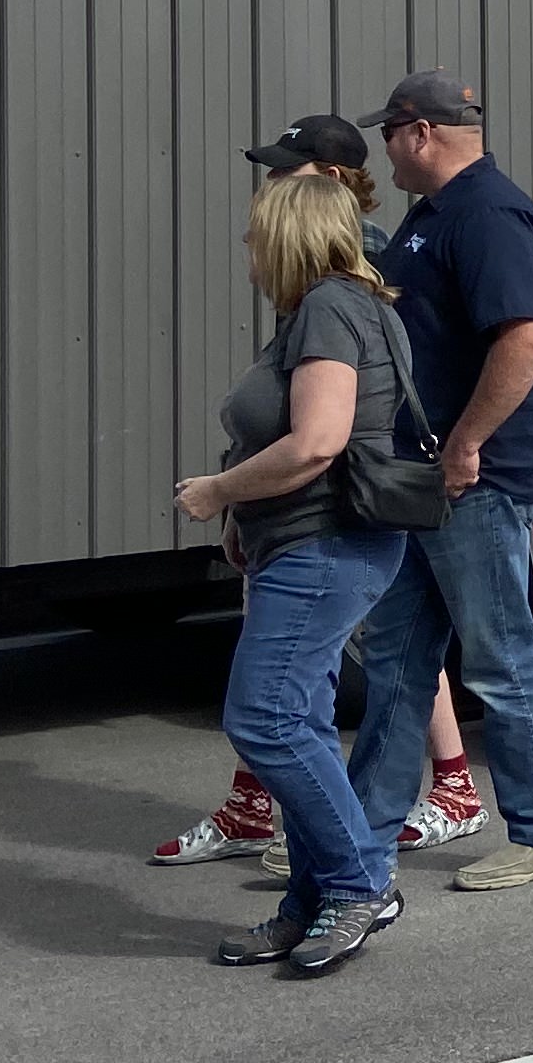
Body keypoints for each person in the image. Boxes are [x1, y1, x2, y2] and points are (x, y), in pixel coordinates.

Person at [155, 117, 486, 869]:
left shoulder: (342, 285)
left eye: (286, 173)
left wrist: (224, 491)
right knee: (293, 696)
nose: (270, 189)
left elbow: (320, 433)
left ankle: (378, 848)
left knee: (304, 691)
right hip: (309, 516)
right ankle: (301, 836)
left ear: (327, 186)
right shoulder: (322, 289)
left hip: (334, 515)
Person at [345, 71, 533, 896]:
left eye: (389, 132)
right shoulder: (434, 214)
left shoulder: (486, 213)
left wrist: (466, 443)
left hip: (474, 481)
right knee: (398, 656)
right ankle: (361, 830)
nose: (384, 148)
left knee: (498, 655)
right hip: (427, 476)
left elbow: (527, 336)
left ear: (420, 132)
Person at [179, 173, 418, 977]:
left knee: (265, 720)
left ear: (287, 238)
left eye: (255, 236)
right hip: (307, 545)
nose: (246, 250)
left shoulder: (328, 309)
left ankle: (360, 882)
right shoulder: (335, 308)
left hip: (325, 548)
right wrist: (248, 519)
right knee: (301, 724)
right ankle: (311, 901)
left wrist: (217, 494)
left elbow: (318, 441)